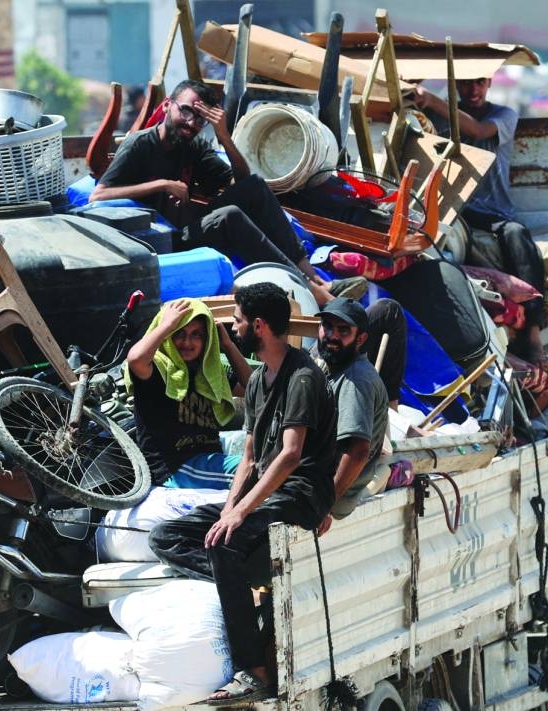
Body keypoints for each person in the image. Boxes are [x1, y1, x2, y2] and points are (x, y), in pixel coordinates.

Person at [148, 282, 337, 703]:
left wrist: (239, 515)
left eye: (236, 320)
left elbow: (289, 456)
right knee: (166, 536)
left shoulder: (302, 377)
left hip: (301, 492)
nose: (231, 328)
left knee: (225, 547)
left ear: (260, 325)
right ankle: (243, 591)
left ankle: (252, 670)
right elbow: (249, 458)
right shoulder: (256, 382)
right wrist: (229, 509)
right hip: (265, 492)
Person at [89, 79, 355, 307]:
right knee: (229, 216)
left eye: (200, 119)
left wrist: (224, 136)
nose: (191, 123)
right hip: (161, 243)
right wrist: (162, 184)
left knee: (255, 188)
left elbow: (239, 182)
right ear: (168, 105)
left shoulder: (192, 146)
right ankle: (307, 289)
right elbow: (98, 195)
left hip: (186, 229)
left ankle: (314, 277)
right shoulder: (140, 144)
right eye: (185, 111)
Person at [415, 77, 546, 364]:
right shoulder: (433, 118)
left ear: (488, 82)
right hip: (456, 209)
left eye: (478, 83)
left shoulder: (503, 116)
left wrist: (433, 100)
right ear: (454, 85)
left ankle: (534, 332)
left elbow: (477, 129)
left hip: (495, 213)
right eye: (464, 84)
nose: (472, 90)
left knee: (516, 234)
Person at [126, 297, 252, 488]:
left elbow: (253, 388)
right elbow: (135, 359)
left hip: (209, 460)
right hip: (174, 468)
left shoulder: (209, 372)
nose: (187, 342)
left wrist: (227, 345)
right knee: (255, 472)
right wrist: (167, 324)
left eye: (197, 335)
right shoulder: (159, 369)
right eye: (179, 333)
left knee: (269, 463)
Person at [311, 298, 389, 535]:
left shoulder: (355, 381)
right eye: (327, 326)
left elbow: (357, 452)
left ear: (361, 339)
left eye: (344, 330)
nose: (332, 335)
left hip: (331, 495)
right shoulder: (334, 367)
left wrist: (325, 505)